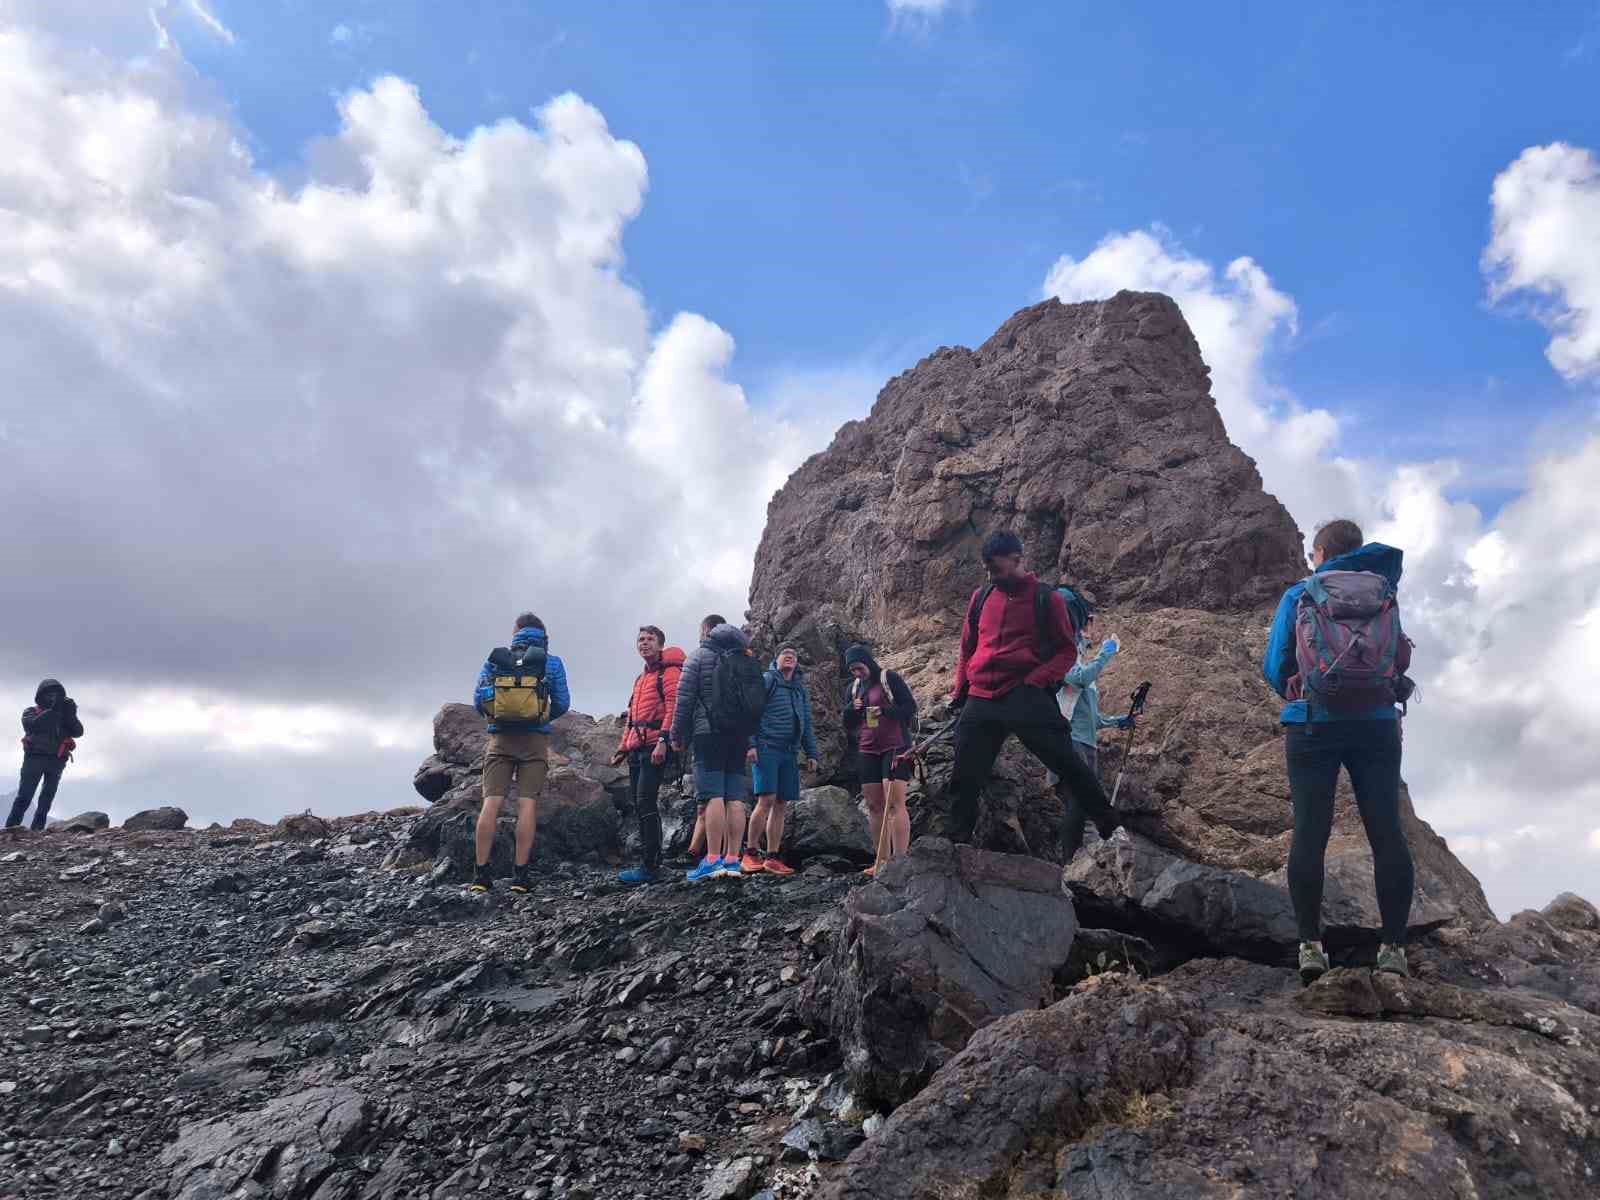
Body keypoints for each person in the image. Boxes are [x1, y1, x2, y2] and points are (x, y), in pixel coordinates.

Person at [1264, 518, 1416, 985]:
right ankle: (1393, 950)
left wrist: (1305, 690)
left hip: (1314, 724)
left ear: (1323, 553)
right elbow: (1396, 655)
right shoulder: (1383, 591)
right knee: (1386, 832)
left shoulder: (1302, 593)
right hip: (1375, 725)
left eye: (1314, 554)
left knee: (1311, 833)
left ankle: (1311, 946)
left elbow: (1274, 666)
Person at [948, 530, 1120, 855]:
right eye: (988, 570)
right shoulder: (981, 596)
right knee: (964, 776)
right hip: (982, 698)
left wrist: (1036, 680)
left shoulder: (1047, 598)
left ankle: (1109, 823)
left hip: (1024, 695)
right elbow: (967, 646)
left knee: (1067, 761)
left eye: (998, 569)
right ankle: (955, 845)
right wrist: (960, 690)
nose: (992, 576)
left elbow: (1067, 652)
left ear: (1017, 560)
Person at [469, 613, 570, 894]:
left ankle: (481, 875)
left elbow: (478, 699)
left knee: (491, 803)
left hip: (500, 738)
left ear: (516, 632)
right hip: (535, 739)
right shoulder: (550, 662)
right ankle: (520, 877)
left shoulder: (497, 658)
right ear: (543, 634)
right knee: (527, 805)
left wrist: (496, 716)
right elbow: (562, 701)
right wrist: (541, 716)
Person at [670, 615, 756, 881]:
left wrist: (677, 734)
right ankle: (733, 860)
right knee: (735, 798)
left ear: (707, 631)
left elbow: (684, 700)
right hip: (738, 736)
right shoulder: (745, 659)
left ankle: (712, 859)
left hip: (708, 733)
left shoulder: (698, 657)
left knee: (712, 796)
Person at [1050, 609, 1134, 855]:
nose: (1088, 634)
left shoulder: (1081, 668)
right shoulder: (1062, 662)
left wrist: (1121, 721)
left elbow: (1094, 719)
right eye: (1083, 628)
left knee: (1082, 804)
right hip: (1069, 742)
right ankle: (1067, 860)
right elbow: (1080, 679)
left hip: (1088, 747)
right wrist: (1106, 652)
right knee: (1077, 802)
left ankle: (1073, 860)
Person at [612, 625, 685, 885]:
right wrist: (623, 748)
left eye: (650, 640)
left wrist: (664, 742)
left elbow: (673, 709)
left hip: (655, 747)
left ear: (660, 644)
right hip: (637, 750)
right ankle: (649, 863)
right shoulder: (641, 678)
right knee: (639, 803)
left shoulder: (670, 672)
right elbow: (632, 717)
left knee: (645, 802)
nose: (644, 643)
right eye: (641, 640)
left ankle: (651, 866)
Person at [743, 645, 819, 876]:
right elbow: (750, 712)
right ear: (776, 660)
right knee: (766, 799)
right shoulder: (768, 680)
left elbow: (805, 722)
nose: (790, 656)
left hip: (789, 751)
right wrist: (751, 744)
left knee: (782, 803)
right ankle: (750, 853)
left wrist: (812, 753)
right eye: (785, 654)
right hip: (767, 747)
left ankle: (773, 857)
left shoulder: (799, 690)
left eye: (794, 654)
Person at [842, 644, 917, 872]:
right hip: (867, 749)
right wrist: (850, 710)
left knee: (895, 804)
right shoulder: (853, 689)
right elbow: (848, 725)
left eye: (859, 667)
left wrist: (884, 710)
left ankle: (900, 861)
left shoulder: (889, 678)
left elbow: (909, 708)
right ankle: (881, 861)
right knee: (875, 806)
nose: (857, 673)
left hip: (896, 746)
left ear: (868, 662)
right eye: (853, 670)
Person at [6, 680, 83, 831]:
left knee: (46, 799)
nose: (53, 697)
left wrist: (71, 714)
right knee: (24, 796)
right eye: (49, 694)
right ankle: (10, 830)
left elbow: (78, 732)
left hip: (57, 760)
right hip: (35, 759)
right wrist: (53, 711)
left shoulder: (64, 715)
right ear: (41, 695)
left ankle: (37, 830)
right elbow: (33, 725)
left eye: (56, 694)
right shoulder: (31, 712)